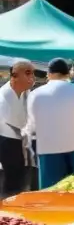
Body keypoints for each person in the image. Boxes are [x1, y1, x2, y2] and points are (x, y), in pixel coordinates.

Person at [26, 59, 74, 189]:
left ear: (49, 73)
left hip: (48, 148)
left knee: (52, 191)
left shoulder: (35, 94)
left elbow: (32, 125)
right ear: (68, 74)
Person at [0, 60, 34, 196]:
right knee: (12, 179)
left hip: (23, 139)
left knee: (21, 177)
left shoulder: (27, 93)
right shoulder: (3, 96)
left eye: (32, 74)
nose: (32, 78)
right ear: (14, 76)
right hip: (7, 139)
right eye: (27, 74)